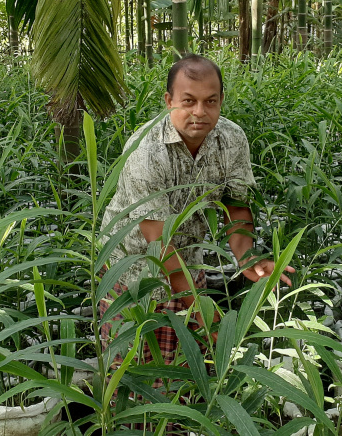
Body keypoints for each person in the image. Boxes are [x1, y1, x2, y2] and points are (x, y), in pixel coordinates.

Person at [98, 54, 295, 368]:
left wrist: (246, 258)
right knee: (134, 372)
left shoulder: (231, 139)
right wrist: (207, 314)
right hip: (133, 270)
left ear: (221, 101)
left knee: (191, 367)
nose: (200, 112)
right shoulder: (146, 151)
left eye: (210, 101)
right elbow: (157, 244)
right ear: (169, 101)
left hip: (189, 260)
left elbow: (236, 204)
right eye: (188, 101)